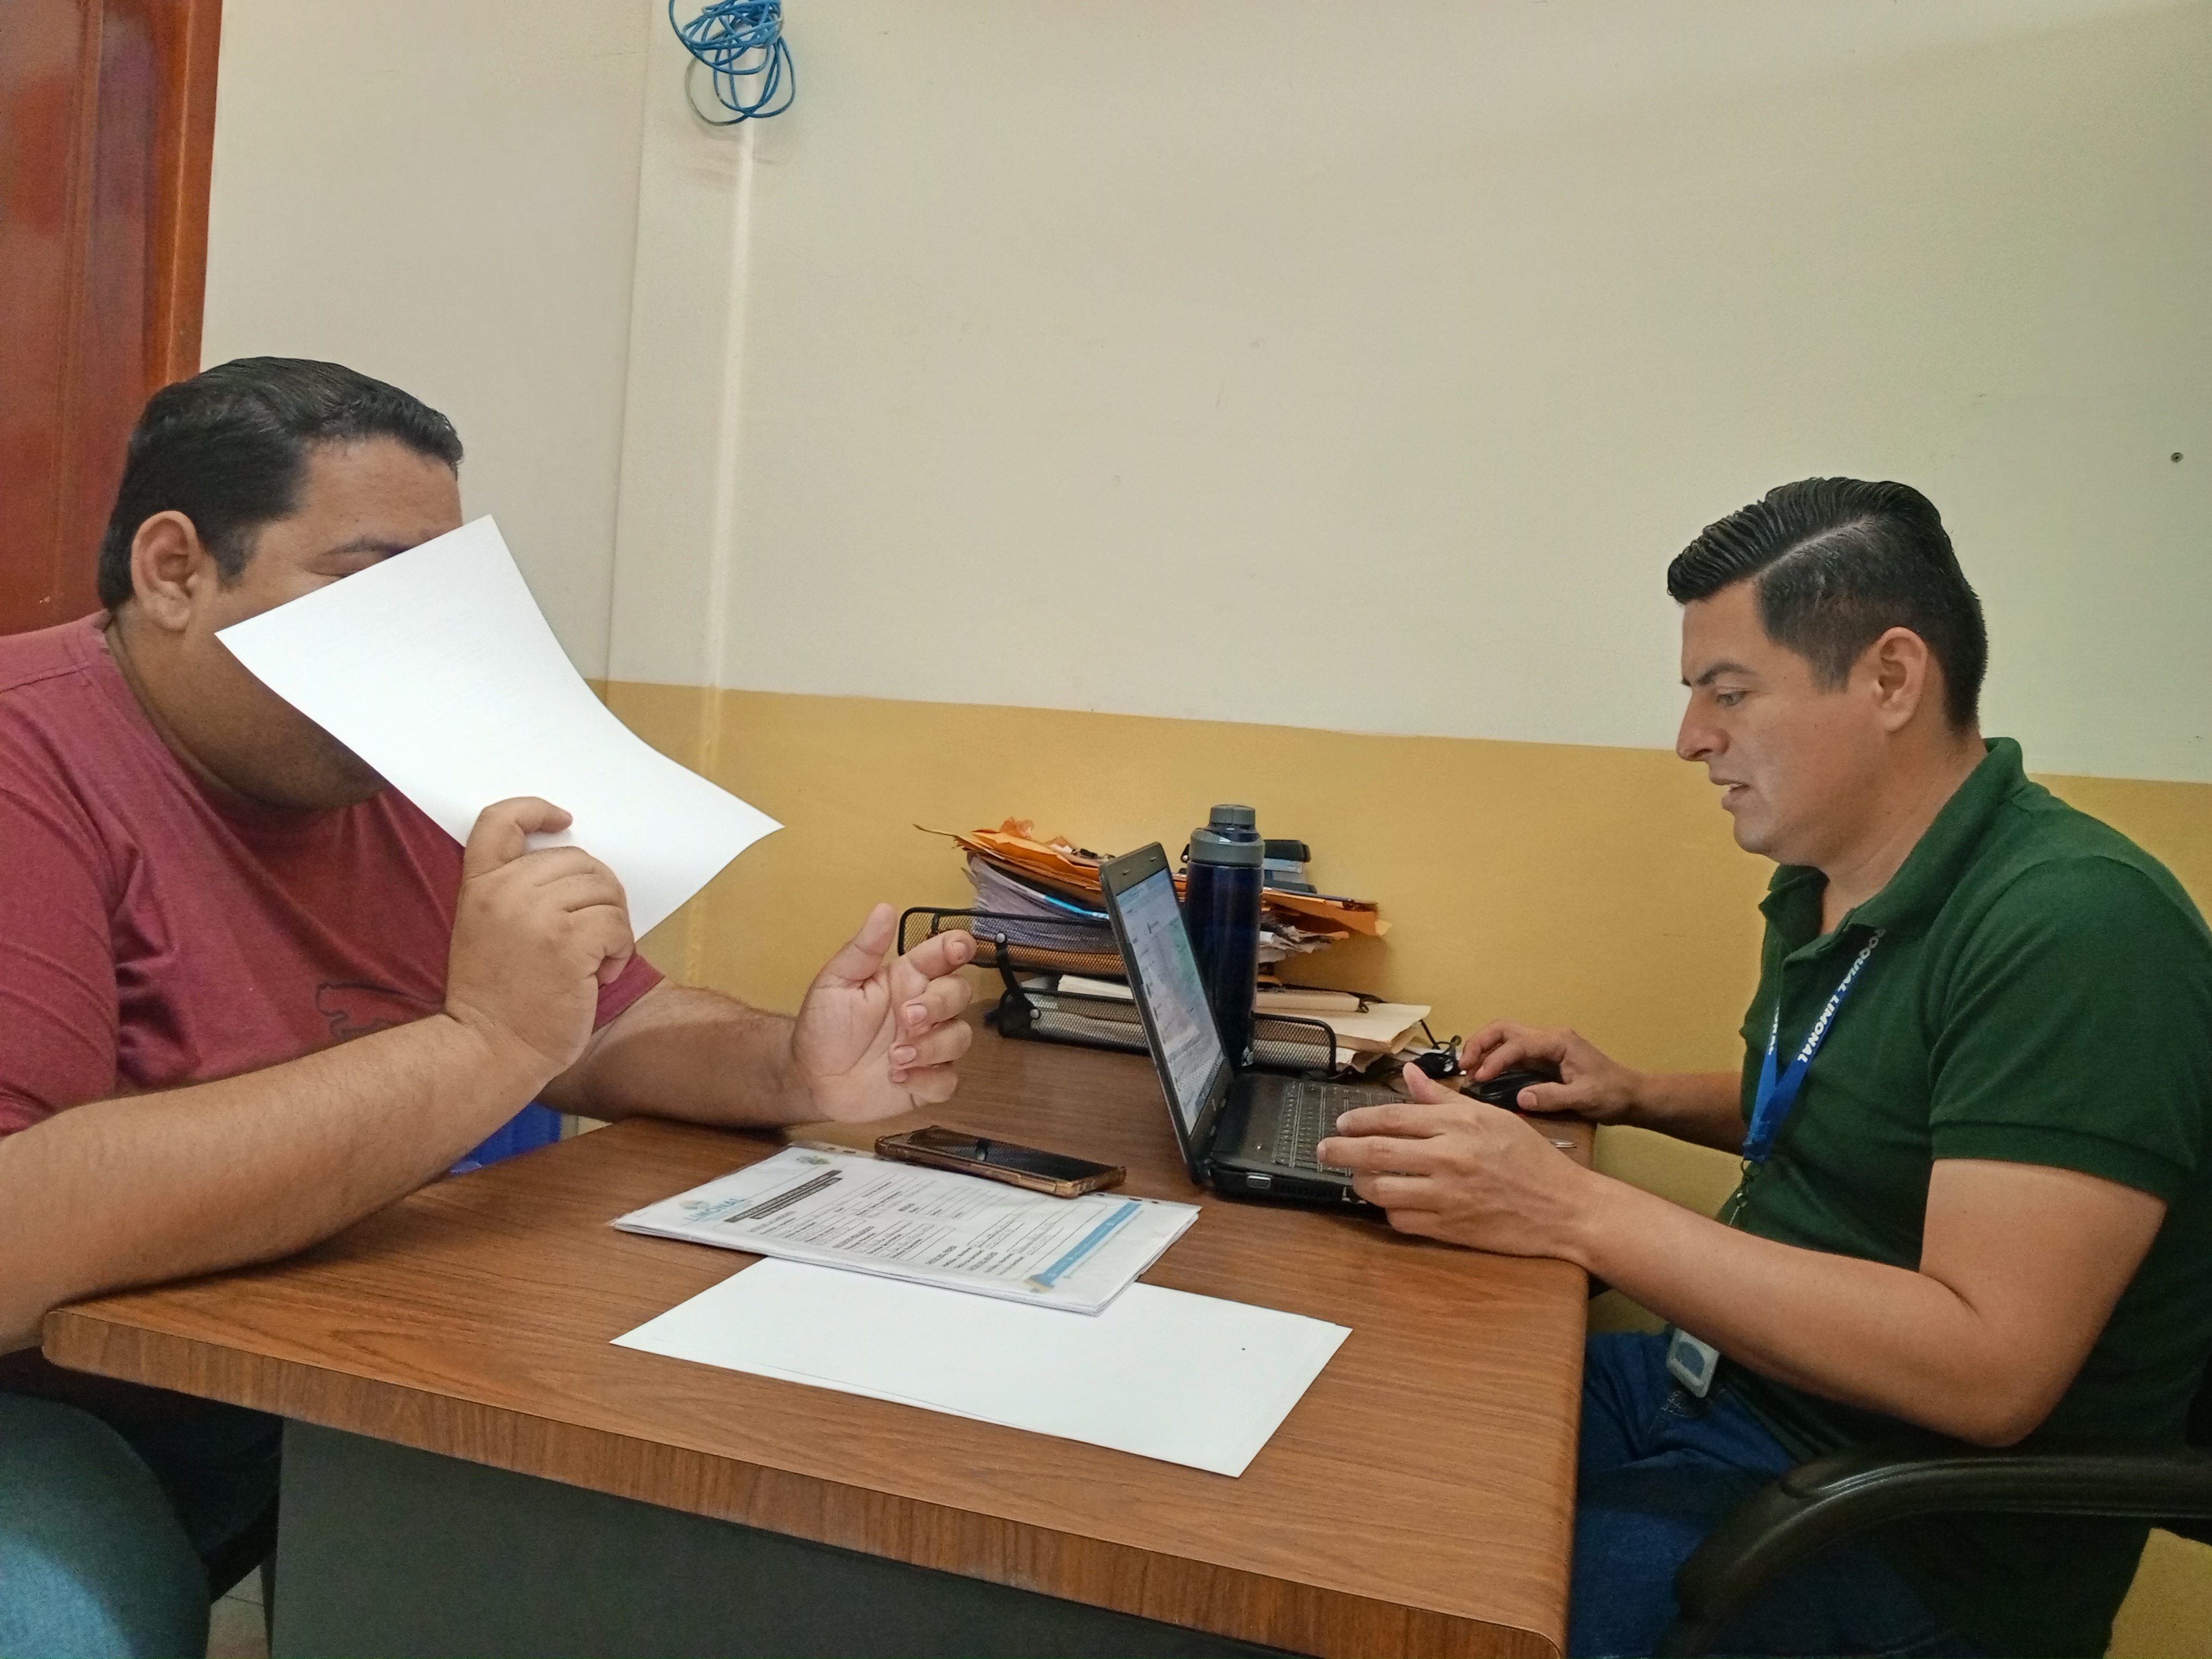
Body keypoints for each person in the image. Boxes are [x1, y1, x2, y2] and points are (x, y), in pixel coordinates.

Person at [0, 359, 979, 1659]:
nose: (418, 644)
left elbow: (602, 1020)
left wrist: (790, 1070)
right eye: (369, 586)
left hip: (304, 1349)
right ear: (176, 570)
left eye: (440, 596)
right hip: (54, 1396)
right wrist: (485, 1045)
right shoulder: (30, 758)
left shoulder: (390, 766)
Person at [1320, 478, 2212, 1659]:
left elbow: (1988, 1369)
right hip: (1724, 1390)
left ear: (1891, 680)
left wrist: (1571, 1209)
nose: (1692, 737)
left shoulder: (2077, 930)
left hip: (1899, 1527)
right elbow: (1880, 1114)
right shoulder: (1830, 877)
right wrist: (1640, 1094)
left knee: (1417, 1604)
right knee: (1346, 1441)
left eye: (1729, 692)